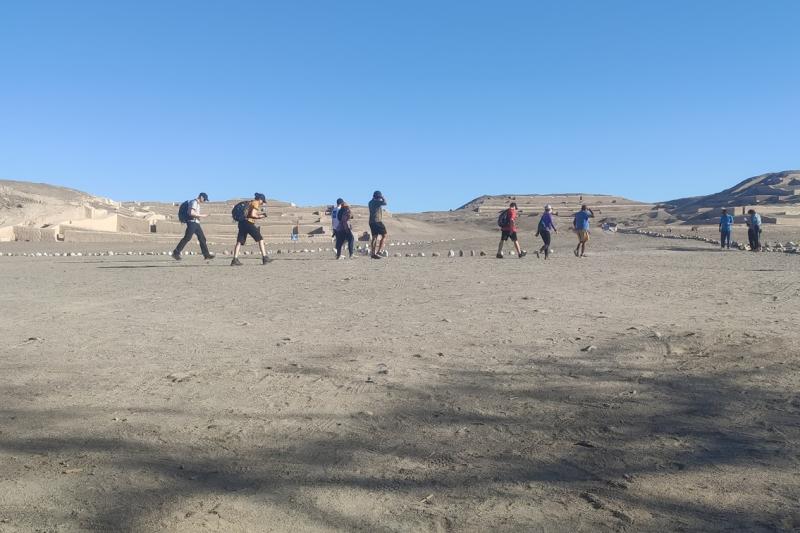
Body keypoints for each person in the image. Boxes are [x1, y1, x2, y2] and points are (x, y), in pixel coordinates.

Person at [231, 193, 271, 266]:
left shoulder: (249, 202)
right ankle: (265, 258)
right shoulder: (255, 203)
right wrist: (261, 216)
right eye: (263, 201)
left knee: (239, 241)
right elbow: (253, 215)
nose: (262, 203)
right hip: (248, 223)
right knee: (260, 239)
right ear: (260, 199)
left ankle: (234, 259)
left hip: (241, 223)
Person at [172, 192, 215, 260]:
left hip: (196, 223)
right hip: (192, 223)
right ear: (201, 197)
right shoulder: (194, 202)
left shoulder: (197, 204)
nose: (204, 201)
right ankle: (176, 253)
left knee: (202, 238)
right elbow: (191, 213)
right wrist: (202, 216)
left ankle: (206, 254)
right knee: (187, 238)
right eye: (204, 199)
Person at [368, 190, 388, 259]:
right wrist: (382, 197)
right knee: (384, 235)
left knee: (374, 237)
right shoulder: (377, 202)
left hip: (371, 222)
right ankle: (379, 251)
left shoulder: (370, 202)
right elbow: (385, 203)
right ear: (377, 197)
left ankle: (373, 253)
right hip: (377, 221)